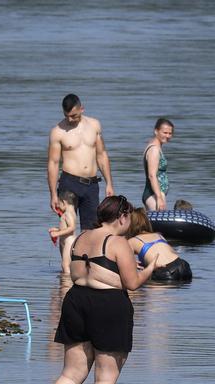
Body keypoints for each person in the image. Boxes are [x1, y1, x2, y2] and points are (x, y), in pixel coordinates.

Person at [45, 196, 154, 384]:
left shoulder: (81, 238)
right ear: (122, 216)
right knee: (105, 378)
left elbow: (87, 269)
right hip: (108, 305)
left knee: (71, 374)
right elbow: (132, 283)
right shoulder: (117, 242)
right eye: (129, 217)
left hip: (76, 300)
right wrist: (151, 268)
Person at [48, 94, 115, 234]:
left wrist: (109, 183)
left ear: (82, 109)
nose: (70, 119)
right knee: (67, 229)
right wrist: (53, 194)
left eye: (73, 115)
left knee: (90, 232)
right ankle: (66, 257)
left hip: (91, 185)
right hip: (69, 184)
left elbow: (101, 155)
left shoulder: (94, 125)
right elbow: (53, 163)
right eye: (66, 116)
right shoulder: (57, 132)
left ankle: (84, 256)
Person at [127, 208, 193, 282]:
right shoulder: (159, 235)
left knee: (138, 287)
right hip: (183, 265)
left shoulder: (132, 241)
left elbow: (123, 264)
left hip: (165, 271)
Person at [142, 118, 174, 210]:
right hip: (153, 195)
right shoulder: (154, 150)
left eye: (170, 133)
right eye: (165, 132)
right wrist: (159, 198)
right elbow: (152, 175)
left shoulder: (156, 147)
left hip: (157, 194)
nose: (167, 136)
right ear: (156, 131)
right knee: (159, 223)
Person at [49, 189, 78, 273]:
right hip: (67, 241)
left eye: (59, 203)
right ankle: (66, 280)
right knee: (66, 264)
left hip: (69, 241)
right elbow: (67, 227)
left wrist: (57, 233)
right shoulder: (70, 212)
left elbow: (72, 227)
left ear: (64, 202)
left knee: (65, 265)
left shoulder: (68, 213)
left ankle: (67, 283)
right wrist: (56, 230)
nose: (58, 206)